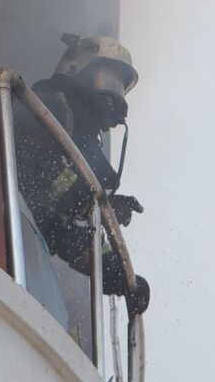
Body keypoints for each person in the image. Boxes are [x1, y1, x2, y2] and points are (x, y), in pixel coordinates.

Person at [15, 33, 152, 314]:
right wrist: (96, 204)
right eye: (107, 80)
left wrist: (120, 277)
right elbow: (35, 170)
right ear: (78, 69)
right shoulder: (45, 108)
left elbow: (67, 236)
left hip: (22, 247)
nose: (113, 94)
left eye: (119, 87)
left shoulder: (85, 153)